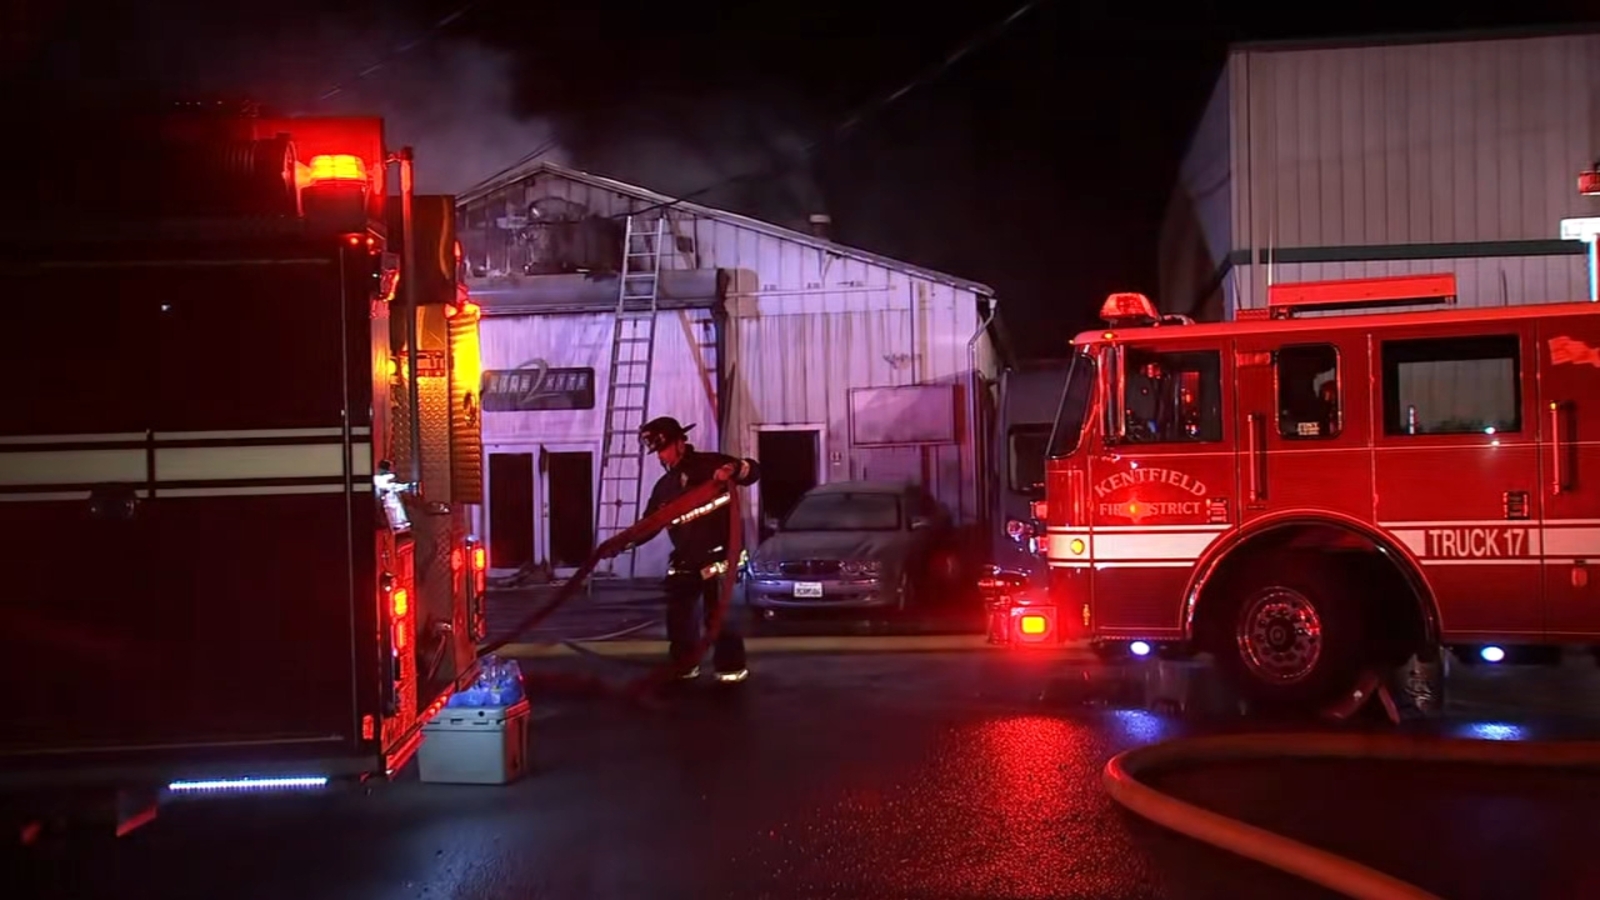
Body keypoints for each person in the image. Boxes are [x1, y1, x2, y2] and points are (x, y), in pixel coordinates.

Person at [600, 416, 761, 684]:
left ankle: (730, 671)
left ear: (680, 442)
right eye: (657, 452)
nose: (661, 457)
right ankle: (685, 666)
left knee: (721, 619)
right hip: (686, 559)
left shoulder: (713, 465)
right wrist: (620, 544)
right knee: (679, 619)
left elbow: (752, 471)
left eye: (663, 449)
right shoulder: (665, 488)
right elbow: (650, 524)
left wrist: (733, 469)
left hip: (720, 559)